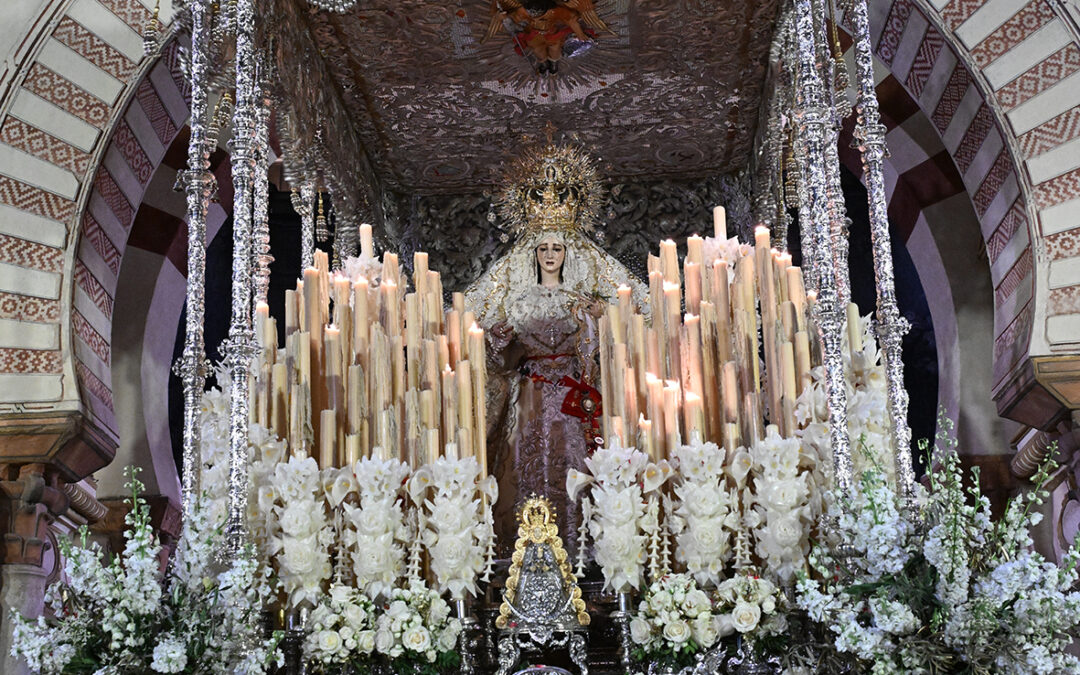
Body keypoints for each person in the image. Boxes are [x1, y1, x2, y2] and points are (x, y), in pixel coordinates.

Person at [465, 141, 646, 556]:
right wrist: (498, 338)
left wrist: (598, 318)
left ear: (568, 254)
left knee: (574, 460)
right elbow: (499, 356)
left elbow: (599, 347)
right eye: (543, 248)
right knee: (523, 461)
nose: (550, 255)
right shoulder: (517, 300)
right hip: (528, 395)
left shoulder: (581, 299)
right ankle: (523, 554)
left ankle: (579, 552)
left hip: (571, 396)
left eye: (557, 248)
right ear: (534, 254)